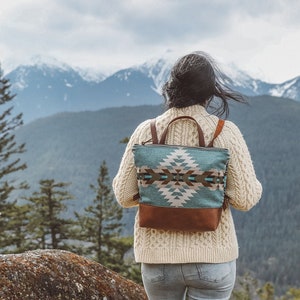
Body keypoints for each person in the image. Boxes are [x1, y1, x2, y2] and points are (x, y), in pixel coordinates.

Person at [112, 51, 262, 300]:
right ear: (210, 91)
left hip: (157, 262)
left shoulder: (145, 132)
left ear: (171, 87)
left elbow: (124, 196)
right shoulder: (225, 133)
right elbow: (245, 199)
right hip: (211, 260)